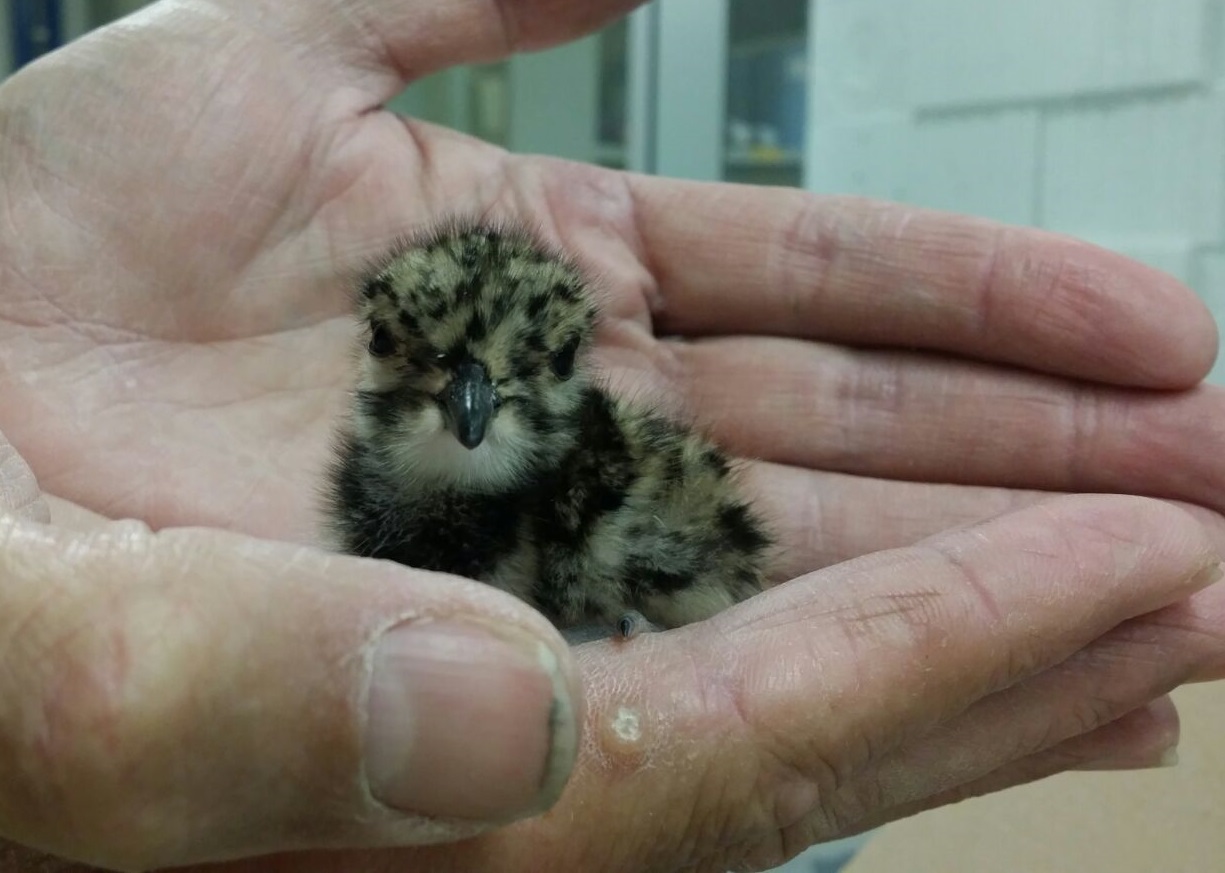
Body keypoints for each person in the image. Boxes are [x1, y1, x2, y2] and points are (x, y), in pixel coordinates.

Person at [1, 1, 1223, 871]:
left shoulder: (585, 496)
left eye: (519, 373)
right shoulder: (403, 477)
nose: (469, 403)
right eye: (428, 363)